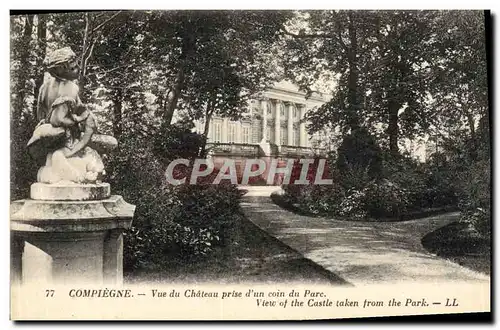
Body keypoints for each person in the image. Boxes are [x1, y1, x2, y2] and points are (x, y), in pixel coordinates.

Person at [27, 47, 115, 184]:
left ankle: (75, 172)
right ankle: (82, 176)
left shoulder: (44, 88)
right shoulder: (72, 88)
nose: (78, 68)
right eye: (73, 68)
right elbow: (71, 117)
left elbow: (41, 115)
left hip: (57, 141)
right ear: (60, 70)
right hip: (67, 140)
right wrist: (78, 121)